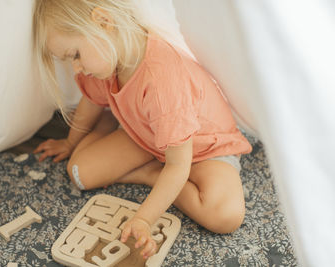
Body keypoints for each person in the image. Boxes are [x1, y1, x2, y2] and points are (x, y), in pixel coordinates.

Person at [32, 0, 252, 259]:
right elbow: (90, 101)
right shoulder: (109, 61)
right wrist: (70, 143)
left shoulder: (162, 83)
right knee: (79, 173)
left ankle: (153, 175)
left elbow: (179, 165)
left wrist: (144, 219)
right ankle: (151, 167)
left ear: (104, 22)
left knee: (224, 216)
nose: (76, 68)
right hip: (147, 137)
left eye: (75, 55)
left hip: (203, 148)